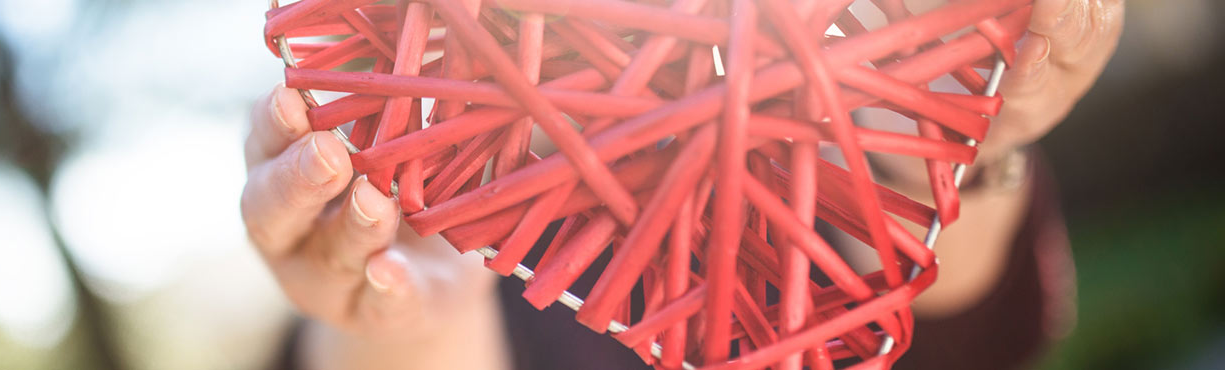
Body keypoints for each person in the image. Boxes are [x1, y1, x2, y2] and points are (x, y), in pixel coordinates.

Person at [240, 0, 1123, 368]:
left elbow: (977, 338)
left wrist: (959, 136)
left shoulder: (797, 63)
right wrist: (409, 341)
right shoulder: (421, 171)